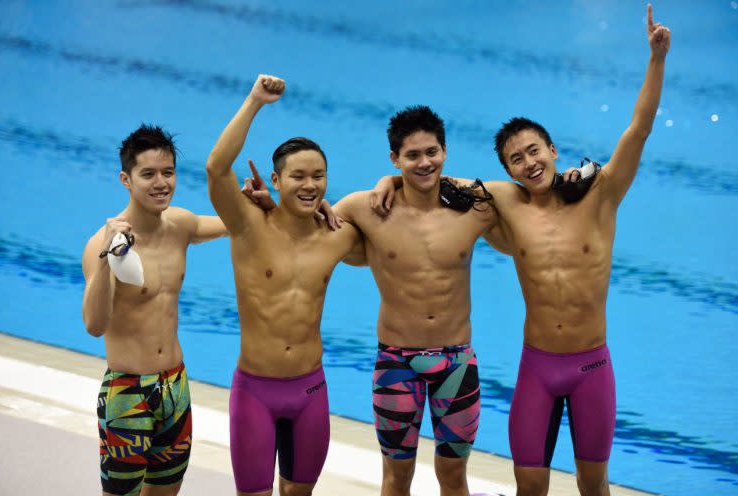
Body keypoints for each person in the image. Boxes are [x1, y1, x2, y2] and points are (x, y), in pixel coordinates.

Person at [372, 5, 670, 495]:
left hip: (592, 365)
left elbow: (637, 130)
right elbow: (429, 176)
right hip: (538, 366)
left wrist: (656, 58)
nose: (528, 163)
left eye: (534, 151)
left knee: (594, 484)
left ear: (553, 151)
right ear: (509, 171)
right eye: (516, 159)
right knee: (529, 485)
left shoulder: (601, 197)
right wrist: (387, 176)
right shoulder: (505, 201)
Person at [328, 105, 505, 496]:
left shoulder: (473, 205)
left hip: (457, 363)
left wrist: (393, 179)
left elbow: (524, 199)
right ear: (395, 158)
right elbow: (310, 223)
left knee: (455, 477)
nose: (424, 162)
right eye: (411, 156)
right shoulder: (365, 207)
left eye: (432, 153)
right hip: (396, 362)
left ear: (445, 152)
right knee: (395, 478)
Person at [205, 74, 365, 496]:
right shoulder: (247, 225)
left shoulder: (338, 235)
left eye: (319, 176)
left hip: (310, 389)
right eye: (298, 176)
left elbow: (397, 222)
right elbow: (216, 168)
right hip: (255, 390)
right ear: (275, 181)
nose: (310, 185)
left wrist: (386, 183)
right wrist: (255, 101)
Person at [81, 124, 228, 496]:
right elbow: (94, 326)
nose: (161, 182)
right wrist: (105, 259)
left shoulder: (180, 224)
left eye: (168, 172)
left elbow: (238, 224)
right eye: (148, 174)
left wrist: (261, 199)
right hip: (128, 393)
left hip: (175, 388)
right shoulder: (101, 244)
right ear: (125, 179)